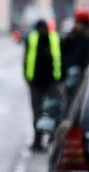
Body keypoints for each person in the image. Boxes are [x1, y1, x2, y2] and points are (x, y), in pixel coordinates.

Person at [24, 19, 62, 150]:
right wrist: (28, 78)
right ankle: (38, 141)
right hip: (36, 82)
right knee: (37, 113)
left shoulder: (55, 38)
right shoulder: (32, 39)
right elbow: (26, 58)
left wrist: (59, 78)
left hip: (52, 82)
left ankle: (53, 139)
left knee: (54, 112)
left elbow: (60, 57)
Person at [60, 8, 89, 92]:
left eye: (81, 23)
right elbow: (64, 54)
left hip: (87, 74)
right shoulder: (72, 37)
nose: (78, 25)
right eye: (77, 22)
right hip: (72, 74)